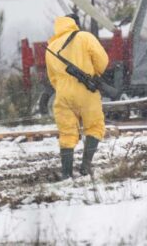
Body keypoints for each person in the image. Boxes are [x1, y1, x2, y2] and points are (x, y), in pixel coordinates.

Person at [46, 13, 109, 179]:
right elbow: (102, 61)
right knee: (94, 126)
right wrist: (95, 74)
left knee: (67, 132)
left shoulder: (51, 47)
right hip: (86, 90)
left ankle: (66, 173)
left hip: (62, 94)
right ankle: (85, 166)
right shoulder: (84, 37)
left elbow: (52, 77)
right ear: (74, 23)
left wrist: (63, 87)